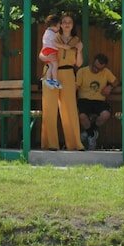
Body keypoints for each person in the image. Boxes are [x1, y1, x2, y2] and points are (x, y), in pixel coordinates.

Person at [40, 13, 84, 151]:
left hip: (68, 74)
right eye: (64, 22)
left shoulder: (77, 40)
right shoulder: (52, 36)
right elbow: (41, 54)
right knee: (49, 108)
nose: (66, 24)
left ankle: (75, 144)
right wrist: (46, 58)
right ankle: (50, 144)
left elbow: (79, 64)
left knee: (70, 108)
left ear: (73, 25)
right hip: (51, 72)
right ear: (59, 24)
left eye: (69, 22)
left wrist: (80, 50)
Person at [76, 52, 117, 150]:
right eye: (95, 66)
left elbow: (116, 81)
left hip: (99, 100)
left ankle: (89, 133)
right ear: (92, 62)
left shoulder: (106, 72)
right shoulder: (82, 71)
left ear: (104, 67)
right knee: (82, 115)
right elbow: (76, 87)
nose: (96, 70)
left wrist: (110, 87)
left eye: (99, 69)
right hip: (84, 99)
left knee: (106, 114)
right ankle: (92, 136)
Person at [39, 13, 70, 89]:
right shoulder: (51, 33)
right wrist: (63, 46)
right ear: (54, 25)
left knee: (51, 66)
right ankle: (55, 80)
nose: (59, 28)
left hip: (46, 51)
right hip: (50, 50)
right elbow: (54, 43)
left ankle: (49, 79)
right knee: (55, 65)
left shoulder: (48, 32)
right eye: (59, 26)